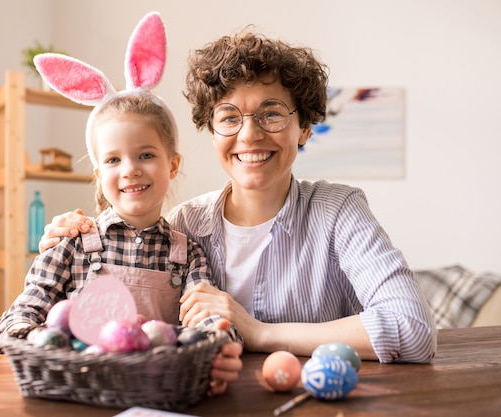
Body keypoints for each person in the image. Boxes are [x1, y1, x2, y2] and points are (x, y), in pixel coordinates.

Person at [39, 28, 437, 364]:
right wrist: (66, 247)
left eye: (272, 113)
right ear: (211, 131)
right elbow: (127, 320)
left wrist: (259, 333)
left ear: (304, 128)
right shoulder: (183, 225)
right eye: (229, 117)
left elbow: (413, 330)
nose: (249, 135)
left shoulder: (339, 211)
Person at [0, 12, 242, 396]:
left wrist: (220, 346)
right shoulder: (72, 244)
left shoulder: (187, 253)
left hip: (157, 395)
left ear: (172, 165)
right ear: (98, 173)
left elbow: (206, 320)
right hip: (75, 394)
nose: (129, 171)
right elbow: (17, 318)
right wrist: (37, 344)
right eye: (112, 160)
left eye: (145, 155)